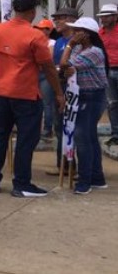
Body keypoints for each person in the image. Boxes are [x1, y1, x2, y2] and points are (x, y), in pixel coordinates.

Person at [0, 0, 64, 198]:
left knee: (0, 135)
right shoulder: (35, 36)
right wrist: (58, 93)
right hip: (25, 93)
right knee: (27, 139)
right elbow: (48, 67)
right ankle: (22, 183)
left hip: (0, 91)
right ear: (32, 12)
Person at [59, 17, 109, 195]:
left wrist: (70, 44)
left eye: (77, 30)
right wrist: (71, 51)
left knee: (82, 138)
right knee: (90, 137)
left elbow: (64, 64)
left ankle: (85, 180)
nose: (73, 33)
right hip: (83, 95)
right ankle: (97, 177)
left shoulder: (94, 52)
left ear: (86, 34)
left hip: (92, 96)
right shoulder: (82, 49)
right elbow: (67, 69)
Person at [46, 7, 79, 176]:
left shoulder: (78, 40)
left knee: (73, 127)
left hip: (74, 89)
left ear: (72, 19)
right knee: (59, 127)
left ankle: (74, 166)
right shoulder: (59, 41)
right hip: (59, 87)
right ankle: (62, 165)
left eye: (61, 18)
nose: (57, 21)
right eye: (55, 18)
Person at [96, 4, 118, 147]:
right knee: (112, 104)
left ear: (115, 17)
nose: (103, 19)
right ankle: (116, 134)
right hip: (107, 71)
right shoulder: (100, 34)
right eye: (102, 16)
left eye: (106, 16)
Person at [33, 19, 57, 140]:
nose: (39, 31)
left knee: (47, 103)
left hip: (45, 74)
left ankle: (47, 129)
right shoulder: (35, 41)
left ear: (49, 30)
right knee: (36, 102)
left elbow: (49, 59)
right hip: (35, 74)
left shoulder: (52, 43)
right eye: (38, 28)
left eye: (42, 29)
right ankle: (37, 128)